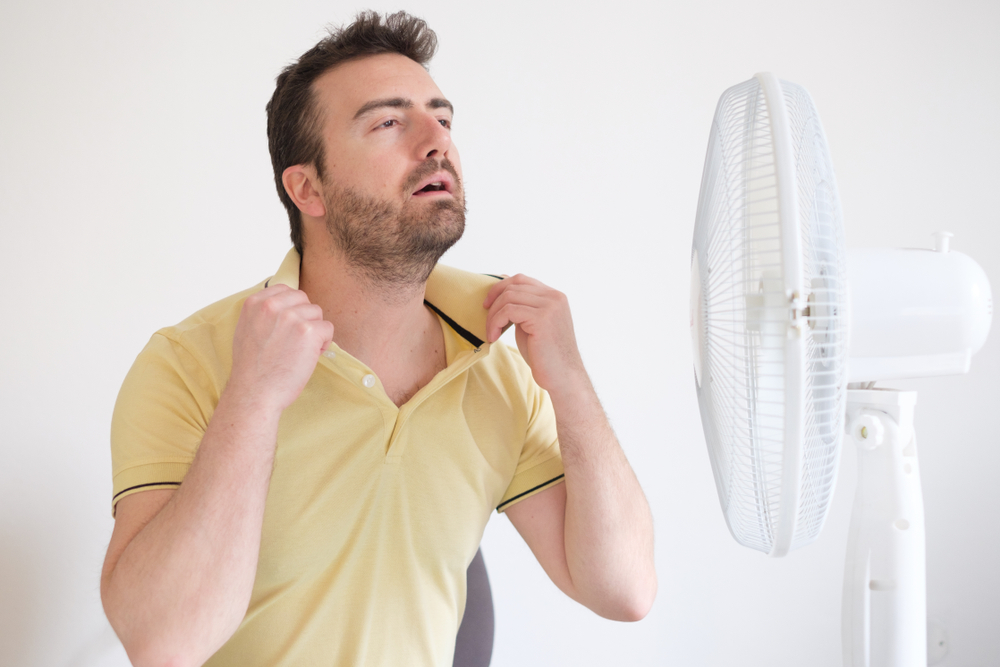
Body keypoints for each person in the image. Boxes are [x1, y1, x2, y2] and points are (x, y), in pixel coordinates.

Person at [100, 11, 656, 667]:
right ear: (308, 187)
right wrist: (253, 398)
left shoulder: (499, 372)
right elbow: (162, 642)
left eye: (442, 119)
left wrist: (571, 384)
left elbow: (624, 590)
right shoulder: (190, 362)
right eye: (389, 122)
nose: (436, 142)